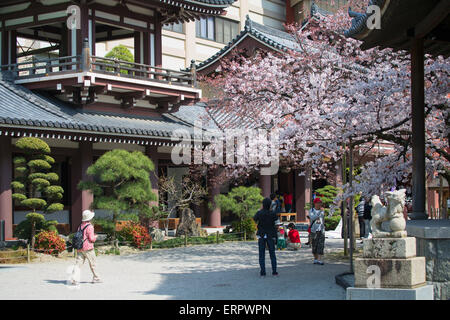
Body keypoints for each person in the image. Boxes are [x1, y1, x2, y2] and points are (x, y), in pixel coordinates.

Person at [71, 210, 101, 284]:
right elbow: (91, 238)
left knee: (78, 263)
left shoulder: (80, 226)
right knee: (93, 263)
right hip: (88, 248)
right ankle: (96, 277)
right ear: (90, 218)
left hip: (80, 247)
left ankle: (74, 278)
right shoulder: (90, 226)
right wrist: (96, 237)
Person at [253, 198, 278, 277]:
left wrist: (260, 210)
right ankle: (274, 271)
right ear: (270, 204)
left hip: (261, 234)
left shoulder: (259, 213)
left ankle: (263, 272)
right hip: (270, 234)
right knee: (272, 253)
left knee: (261, 254)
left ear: (263, 204)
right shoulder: (273, 213)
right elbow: (277, 224)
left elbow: (254, 219)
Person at [308, 198, 325, 265]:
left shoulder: (322, 211)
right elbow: (312, 218)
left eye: (320, 203)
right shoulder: (311, 210)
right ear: (315, 203)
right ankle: (315, 258)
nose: (319, 204)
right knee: (314, 245)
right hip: (314, 230)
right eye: (318, 202)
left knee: (321, 245)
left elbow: (323, 220)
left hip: (320, 229)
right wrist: (319, 213)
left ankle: (319, 259)